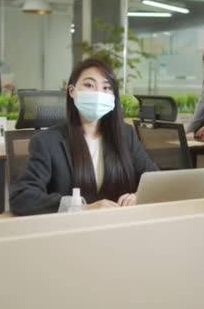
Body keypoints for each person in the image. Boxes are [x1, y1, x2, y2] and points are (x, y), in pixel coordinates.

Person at [9, 58, 158, 216]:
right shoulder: (47, 142)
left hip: (120, 225)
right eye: (89, 85)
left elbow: (155, 180)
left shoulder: (126, 134)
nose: (99, 94)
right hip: (71, 230)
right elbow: (22, 196)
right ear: (72, 91)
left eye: (106, 87)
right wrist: (80, 207)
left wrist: (138, 196)